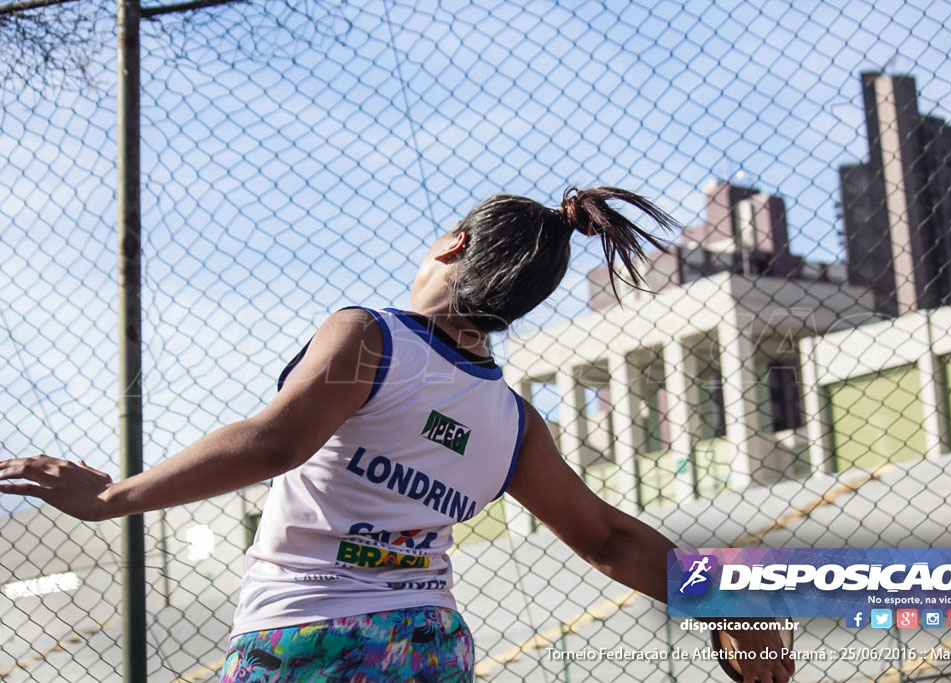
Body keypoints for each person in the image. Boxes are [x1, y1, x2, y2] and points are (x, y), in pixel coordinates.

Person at [0, 186, 794, 682]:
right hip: (428, 647)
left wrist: (112, 495)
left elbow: (276, 443)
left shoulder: (371, 339)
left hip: (307, 638)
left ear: (452, 244)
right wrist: (725, 603)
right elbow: (609, 537)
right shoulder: (514, 422)